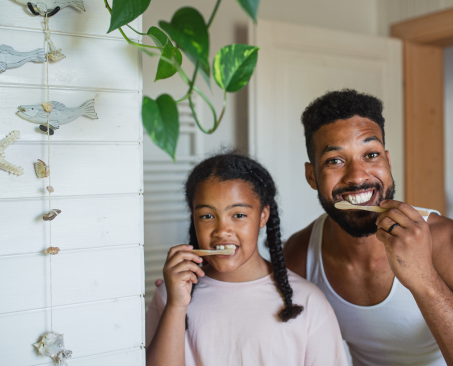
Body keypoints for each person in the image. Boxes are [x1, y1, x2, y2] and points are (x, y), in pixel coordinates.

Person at [283, 89, 453, 366]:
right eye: (335, 160)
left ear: (387, 161)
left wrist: (424, 279)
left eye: (371, 154)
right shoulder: (300, 254)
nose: (358, 176)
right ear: (312, 176)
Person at [145, 152, 349, 366]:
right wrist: (176, 306)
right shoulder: (171, 296)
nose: (222, 231)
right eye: (207, 216)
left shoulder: (308, 302)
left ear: (263, 216)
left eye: (239, 215)